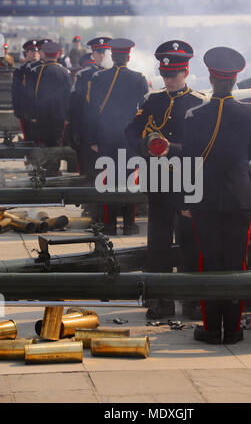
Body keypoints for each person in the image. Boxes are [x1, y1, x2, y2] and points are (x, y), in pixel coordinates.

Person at [182, 46, 251, 344]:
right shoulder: (249, 112)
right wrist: (236, 158)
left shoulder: (194, 115)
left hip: (204, 199)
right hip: (239, 198)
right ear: (235, 80)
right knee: (237, 262)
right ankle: (232, 329)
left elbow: (189, 160)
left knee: (209, 262)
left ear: (210, 77)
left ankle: (210, 328)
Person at [125, 40, 207, 319]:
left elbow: (203, 149)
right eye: (165, 75)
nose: (168, 79)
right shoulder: (152, 101)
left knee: (190, 244)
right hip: (158, 182)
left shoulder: (198, 103)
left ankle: (193, 299)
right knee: (157, 244)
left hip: (187, 182)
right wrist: (146, 143)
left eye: (173, 75)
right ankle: (161, 300)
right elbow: (131, 133)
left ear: (185, 73)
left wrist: (171, 150)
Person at [87, 38, 149, 235]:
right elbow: (144, 112)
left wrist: (93, 140)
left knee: (107, 181)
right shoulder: (139, 78)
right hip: (130, 139)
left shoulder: (98, 77)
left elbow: (91, 112)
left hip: (106, 137)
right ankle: (129, 224)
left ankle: (109, 224)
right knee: (130, 180)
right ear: (129, 57)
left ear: (112, 56)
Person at [28, 41, 72, 176]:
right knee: (56, 142)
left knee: (44, 142)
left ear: (43, 54)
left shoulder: (37, 71)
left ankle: (45, 168)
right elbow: (69, 96)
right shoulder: (64, 72)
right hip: (59, 115)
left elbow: (31, 94)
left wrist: (33, 114)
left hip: (42, 114)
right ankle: (54, 169)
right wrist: (68, 116)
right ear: (58, 54)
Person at [70, 37, 111, 176]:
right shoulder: (84, 74)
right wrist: (75, 131)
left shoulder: (115, 74)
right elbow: (76, 106)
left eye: (104, 51)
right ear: (93, 54)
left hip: (110, 129)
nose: (102, 55)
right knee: (88, 173)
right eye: (98, 52)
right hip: (87, 129)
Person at [12, 40, 40, 142]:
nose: (34, 53)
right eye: (31, 51)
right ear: (26, 53)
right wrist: (17, 110)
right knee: (28, 138)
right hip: (26, 110)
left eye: (36, 51)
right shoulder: (20, 70)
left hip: (42, 109)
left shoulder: (43, 69)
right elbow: (16, 91)